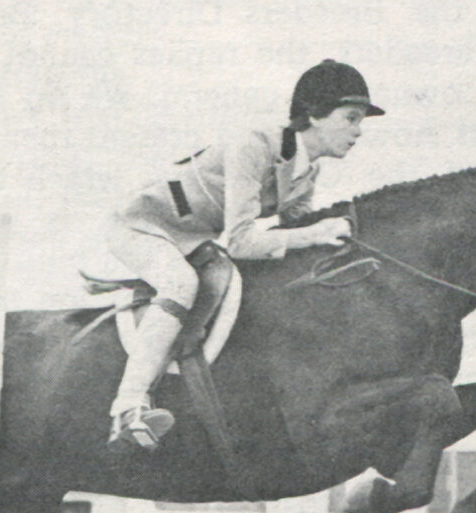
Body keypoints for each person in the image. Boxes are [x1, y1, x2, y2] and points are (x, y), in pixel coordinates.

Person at [105, 58, 384, 450]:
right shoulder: (255, 143)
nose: (357, 132)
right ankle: (128, 408)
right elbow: (239, 242)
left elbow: (291, 230)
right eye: (351, 118)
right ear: (315, 115)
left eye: (360, 122)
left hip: (191, 235)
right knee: (180, 282)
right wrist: (318, 233)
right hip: (142, 224)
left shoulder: (307, 172)